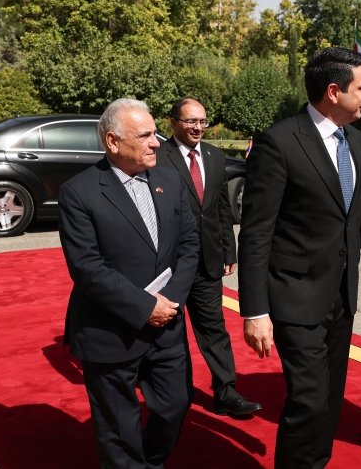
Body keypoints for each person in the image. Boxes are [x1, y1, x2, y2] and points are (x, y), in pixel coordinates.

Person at [238, 47, 361, 469]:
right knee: (308, 401)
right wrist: (254, 311)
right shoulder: (279, 142)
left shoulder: (356, 141)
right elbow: (256, 234)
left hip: (342, 296)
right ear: (333, 91)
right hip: (294, 296)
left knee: (329, 401)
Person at [59, 98, 200, 469]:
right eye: (145, 135)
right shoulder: (79, 192)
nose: (156, 142)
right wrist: (144, 307)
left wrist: (168, 302)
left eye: (155, 133)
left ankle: (150, 462)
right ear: (113, 141)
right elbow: (86, 267)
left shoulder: (170, 180)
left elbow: (189, 245)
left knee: (174, 405)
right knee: (119, 427)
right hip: (110, 329)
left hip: (167, 323)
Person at [156, 97, 261, 417]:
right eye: (191, 121)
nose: (198, 127)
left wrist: (228, 249)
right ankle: (175, 394)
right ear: (173, 123)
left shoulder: (215, 156)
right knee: (169, 332)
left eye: (203, 121)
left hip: (208, 261)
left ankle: (226, 392)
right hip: (169, 264)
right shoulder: (157, 156)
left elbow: (219, 209)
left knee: (214, 328)